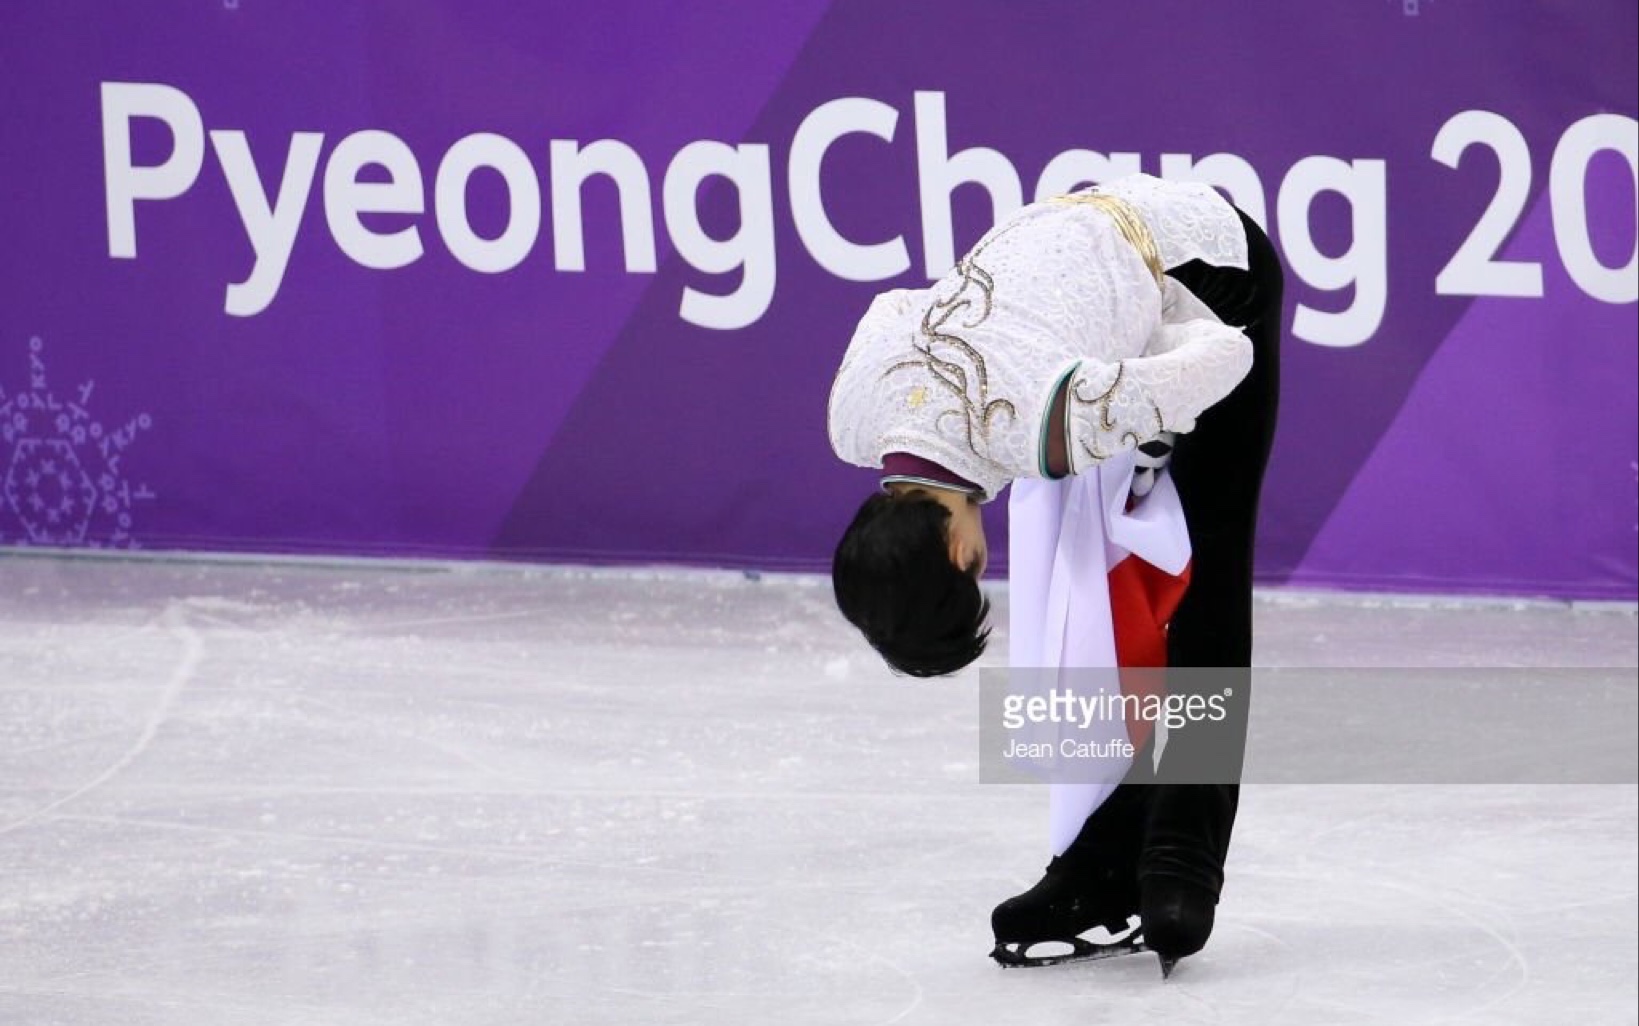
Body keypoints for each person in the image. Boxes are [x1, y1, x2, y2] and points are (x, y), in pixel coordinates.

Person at [827, 172, 1282, 975]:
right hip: (1068, 241)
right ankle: (1101, 863)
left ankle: (1181, 860)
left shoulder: (1047, 420)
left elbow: (1225, 359)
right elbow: (893, 309)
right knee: (1086, 573)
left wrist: (1139, 413)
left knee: (1204, 572)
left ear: (961, 557)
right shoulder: (851, 417)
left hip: (1209, 265)